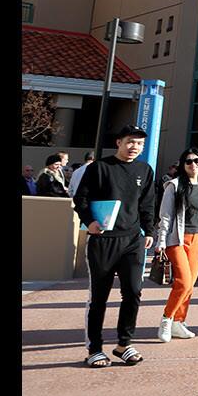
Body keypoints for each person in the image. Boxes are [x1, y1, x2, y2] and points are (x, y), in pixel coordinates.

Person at [72, 126, 156, 368]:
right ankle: (94, 349)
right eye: (130, 142)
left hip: (132, 241)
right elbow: (81, 199)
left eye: (139, 144)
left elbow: (148, 204)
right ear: (119, 142)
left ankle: (124, 344)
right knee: (99, 297)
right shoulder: (99, 168)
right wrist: (90, 222)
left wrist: (149, 231)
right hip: (103, 240)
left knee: (133, 292)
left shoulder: (144, 170)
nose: (134, 148)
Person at [155, 149, 198, 342]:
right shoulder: (174, 186)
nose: (193, 164)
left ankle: (179, 322)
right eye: (189, 161)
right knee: (182, 283)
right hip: (177, 238)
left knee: (190, 285)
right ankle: (167, 319)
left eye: (197, 161)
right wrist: (160, 240)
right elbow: (165, 215)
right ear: (183, 165)